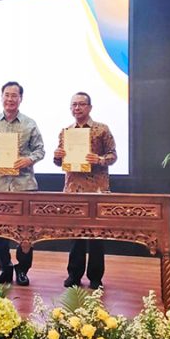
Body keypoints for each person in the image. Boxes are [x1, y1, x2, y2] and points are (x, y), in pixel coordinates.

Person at [0, 81, 45, 286]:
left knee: (25, 231)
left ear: (20, 98)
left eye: (14, 95)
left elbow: (40, 150)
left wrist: (28, 159)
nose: (10, 99)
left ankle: (22, 269)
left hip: (24, 185)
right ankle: (4, 269)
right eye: (7, 95)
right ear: (2, 97)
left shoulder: (29, 123)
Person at [53, 92, 117, 290]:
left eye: (81, 104)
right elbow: (59, 162)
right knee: (75, 235)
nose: (77, 108)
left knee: (96, 236)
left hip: (97, 189)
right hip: (73, 189)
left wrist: (99, 159)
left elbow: (113, 156)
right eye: (74, 105)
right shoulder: (66, 132)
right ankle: (74, 274)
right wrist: (57, 156)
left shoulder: (101, 129)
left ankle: (96, 277)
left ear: (89, 107)